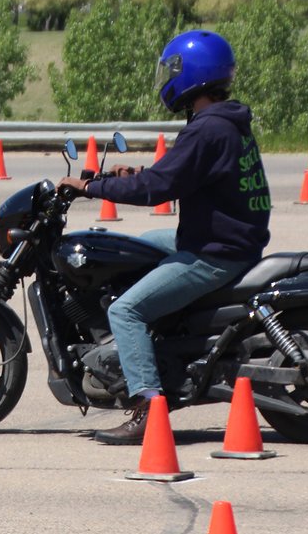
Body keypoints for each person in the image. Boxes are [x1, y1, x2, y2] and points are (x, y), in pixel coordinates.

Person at [59, 30, 271, 444]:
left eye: (172, 70)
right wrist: (127, 176)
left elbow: (159, 188)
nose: (167, 78)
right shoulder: (226, 121)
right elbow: (175, 175)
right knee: (137, 247)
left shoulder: (207, 130)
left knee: (126, 311)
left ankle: (145, 407)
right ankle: (166, 338)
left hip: (215, 251)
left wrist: (92, 188)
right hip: (225, 238)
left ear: (191, 74)